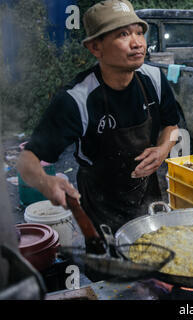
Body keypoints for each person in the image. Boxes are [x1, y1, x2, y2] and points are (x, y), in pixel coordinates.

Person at [17, 0, 179, 235]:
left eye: (139, 32)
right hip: (100, 207)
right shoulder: (76, 99)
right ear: (95, 48)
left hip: (147, 198)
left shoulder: (154, 78)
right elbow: (26, 161)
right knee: (109, 267)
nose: (137, 43)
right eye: (123, 34)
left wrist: (163, 149)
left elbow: (171, 125)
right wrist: (46, 182)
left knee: (153, 261)